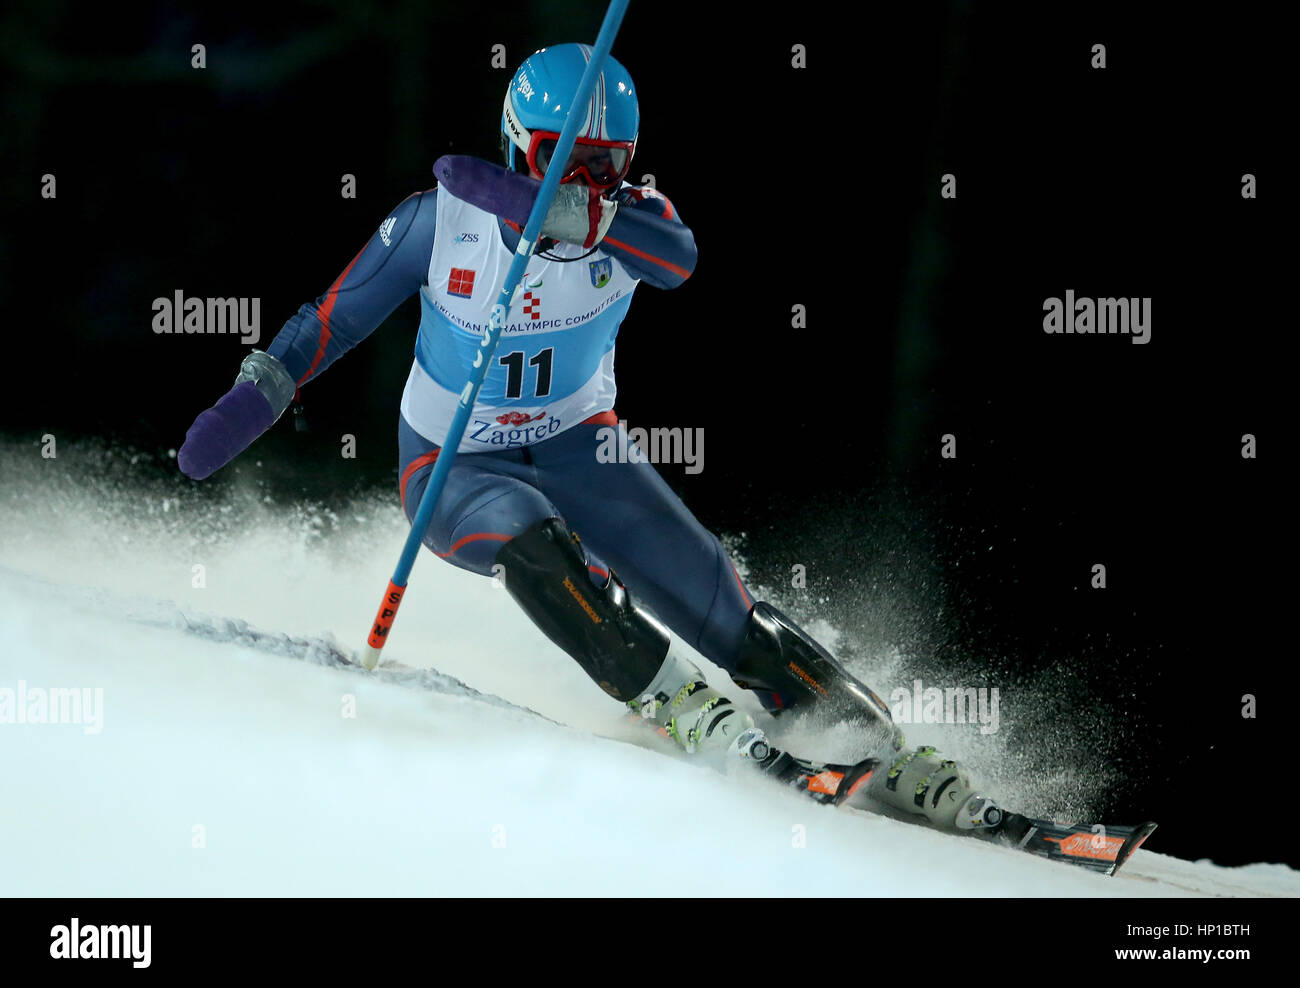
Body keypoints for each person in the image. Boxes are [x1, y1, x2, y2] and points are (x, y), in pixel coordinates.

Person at [178, 43, 987, 831]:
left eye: (606, 165)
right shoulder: (443, 221)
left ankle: (882, 748)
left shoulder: (633, 223)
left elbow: (679, 259)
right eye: (563, 160)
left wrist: (554, 205)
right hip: (452, 463)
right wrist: (257, 396)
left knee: (723, 609)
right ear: (520, 146)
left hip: (580, 449)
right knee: (537, 546)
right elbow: (330, 321)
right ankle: (674, 701)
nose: (588, 185)